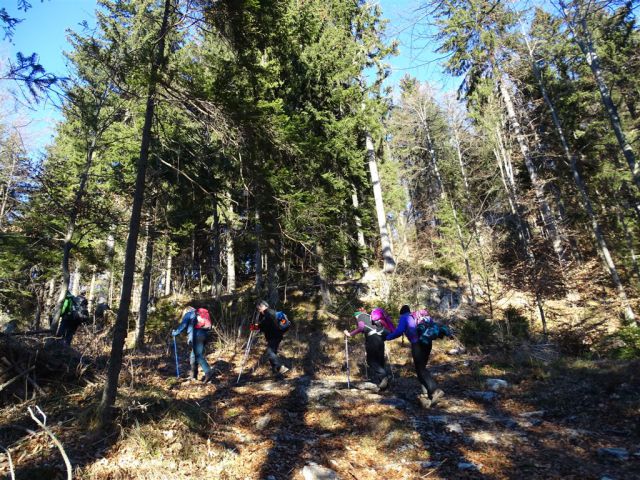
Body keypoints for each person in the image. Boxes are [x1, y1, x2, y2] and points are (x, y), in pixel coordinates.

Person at [385, 305, 445, 408]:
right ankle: (428, 395)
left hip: (417, 344)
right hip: (428, 342)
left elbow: (399, 331)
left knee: (420, 369)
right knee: (421, 369)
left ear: (401, 313)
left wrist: (387, 337)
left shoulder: (404, 317)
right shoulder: (418, 316)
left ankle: (435, 390)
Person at [343, 307, 394, 390]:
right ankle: (384, 386)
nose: (356, 320)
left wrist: (349, 334)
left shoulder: (360, 316)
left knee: (371, 361)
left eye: (355, 318)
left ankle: (384, 376)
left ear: (356, 315)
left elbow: (361, 327)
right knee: (379, 361)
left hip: (372, 340)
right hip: (380, 339)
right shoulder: (370, 317)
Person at [172, 306, 214, 383]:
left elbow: (183, 325)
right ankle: (193, 376)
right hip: (205, 335)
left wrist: (175, 333)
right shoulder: (200, 314)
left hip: (197, 335)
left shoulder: (189, 313)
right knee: (193, 356)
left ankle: (208, 372)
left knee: (198, 355)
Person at [253, 300, 289, 376]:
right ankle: (276, 373)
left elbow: (264, 325)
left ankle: (280, 367)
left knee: (269, 352)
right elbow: (266, 326)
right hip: (274, 336)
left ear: (265, 306)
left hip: (275, 336)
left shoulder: (268, 313)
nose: (258, 308)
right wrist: (257, 326)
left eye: (260, 306)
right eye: (258, 307)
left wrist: (255, 327)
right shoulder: (266, 314)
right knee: (273, 354)